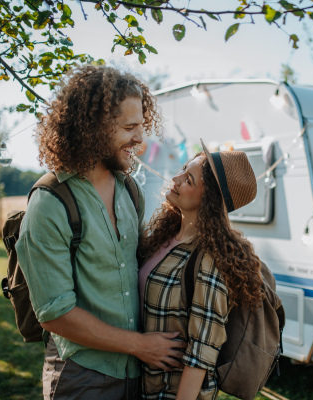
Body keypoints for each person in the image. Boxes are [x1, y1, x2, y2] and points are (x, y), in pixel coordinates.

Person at [15, 65, 186, 400]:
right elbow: (55, 314)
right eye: (129, 127)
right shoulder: (51, 202)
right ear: (93, 128)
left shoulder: (129, 190)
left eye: (142, 126)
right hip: (83, 376)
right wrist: (141, 346)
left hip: (137, 372)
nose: (140, 139)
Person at [138, 140, 265, 400]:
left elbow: (202, 353)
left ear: (208, 200)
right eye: (184, 170)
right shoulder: (163, 237)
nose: (175, 178)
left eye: (189, 180)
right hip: (140, 387)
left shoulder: (210, 258)